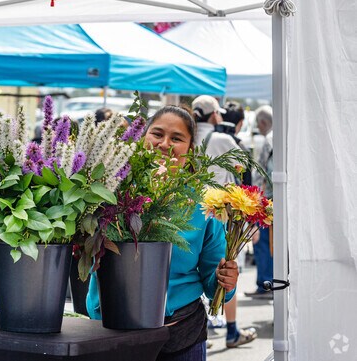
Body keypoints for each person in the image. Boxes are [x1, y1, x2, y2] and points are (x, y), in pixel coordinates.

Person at [86, 105, 240, 360]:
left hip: (181, 335)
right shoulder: (111, 192)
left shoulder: (204, 204)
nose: (164, 144)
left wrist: (227, 281)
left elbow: (214, 285)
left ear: (191, 149)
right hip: (113, 331)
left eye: (177, 138)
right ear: (143, 137)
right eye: (157, 134)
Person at [192, 96, 256, 348]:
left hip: (194, 212)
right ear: (214, 115)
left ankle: (203, 326)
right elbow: (247, 169)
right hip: (223, 214)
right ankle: (231, 330)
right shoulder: (222, 139)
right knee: (227, 269)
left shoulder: (190, 138)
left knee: (196, 270)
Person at [246, 105, 274, 299]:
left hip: (269, 200)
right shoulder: (285, 135)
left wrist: (255, 199)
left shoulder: (269, 140)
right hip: (283, 199)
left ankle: (265, 283)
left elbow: (260, 172)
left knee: (262, 243)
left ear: (263, 123)